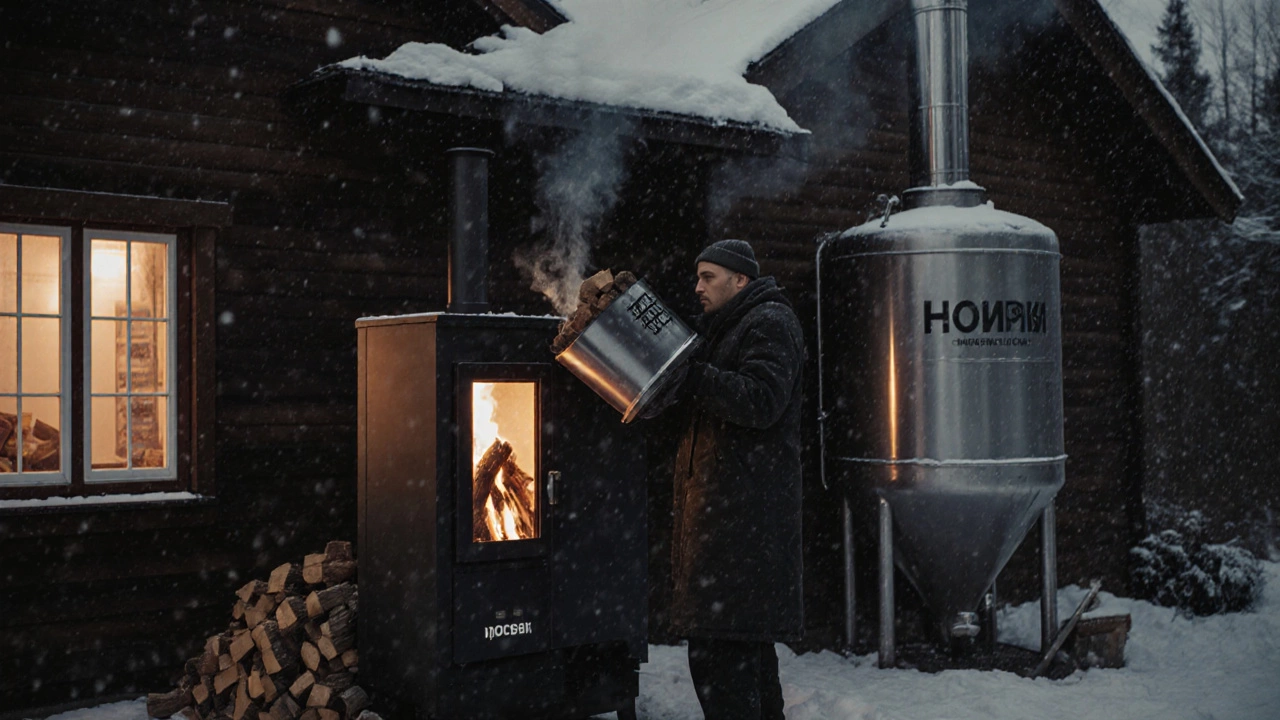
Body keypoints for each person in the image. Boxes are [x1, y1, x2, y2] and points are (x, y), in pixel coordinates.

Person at [660, 239, 805, 720]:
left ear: (740, 280)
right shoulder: (726, 328)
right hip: (729, 533)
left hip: (743, 534)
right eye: (697, 276)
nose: (697, 286)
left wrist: (691, 375)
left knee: (723, 668)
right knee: (745, 669)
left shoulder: (769, 323)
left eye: (708, 277)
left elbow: (763, 399)